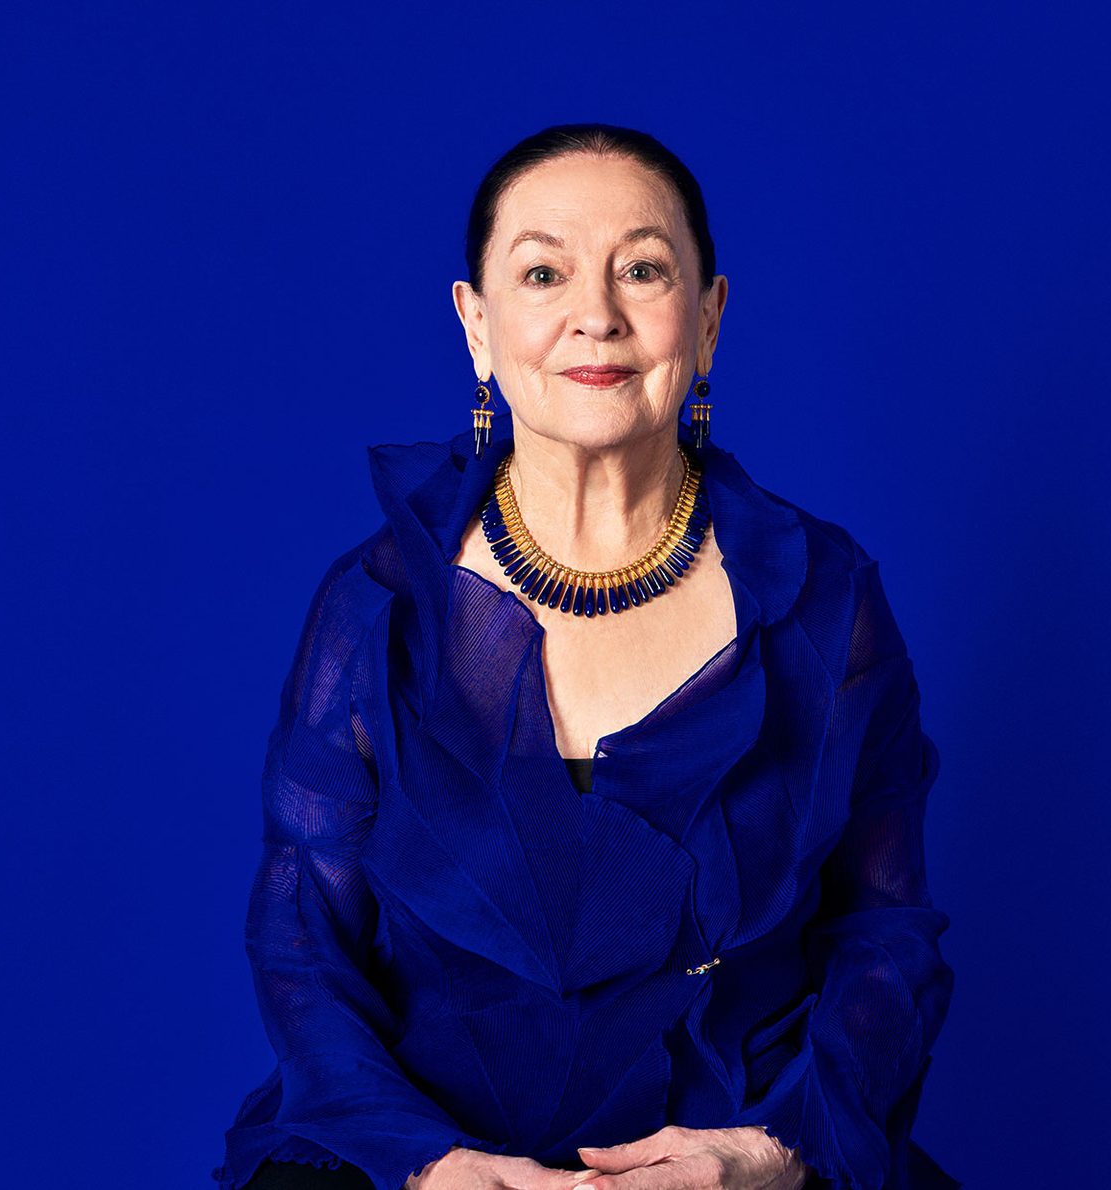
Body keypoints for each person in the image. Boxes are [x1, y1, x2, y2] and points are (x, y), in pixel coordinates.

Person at [213, 124, 960, 1190]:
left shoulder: (827, 602)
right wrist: (430, 1164)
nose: (595, 315)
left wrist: (772, 1148)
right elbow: (302, 938)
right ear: (477, 324)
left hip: (729, 1165)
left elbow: (884, 931)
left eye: (644, 270)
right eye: (544, 271)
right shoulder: (375, 607)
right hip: (424, 1161)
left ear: (707, 320)